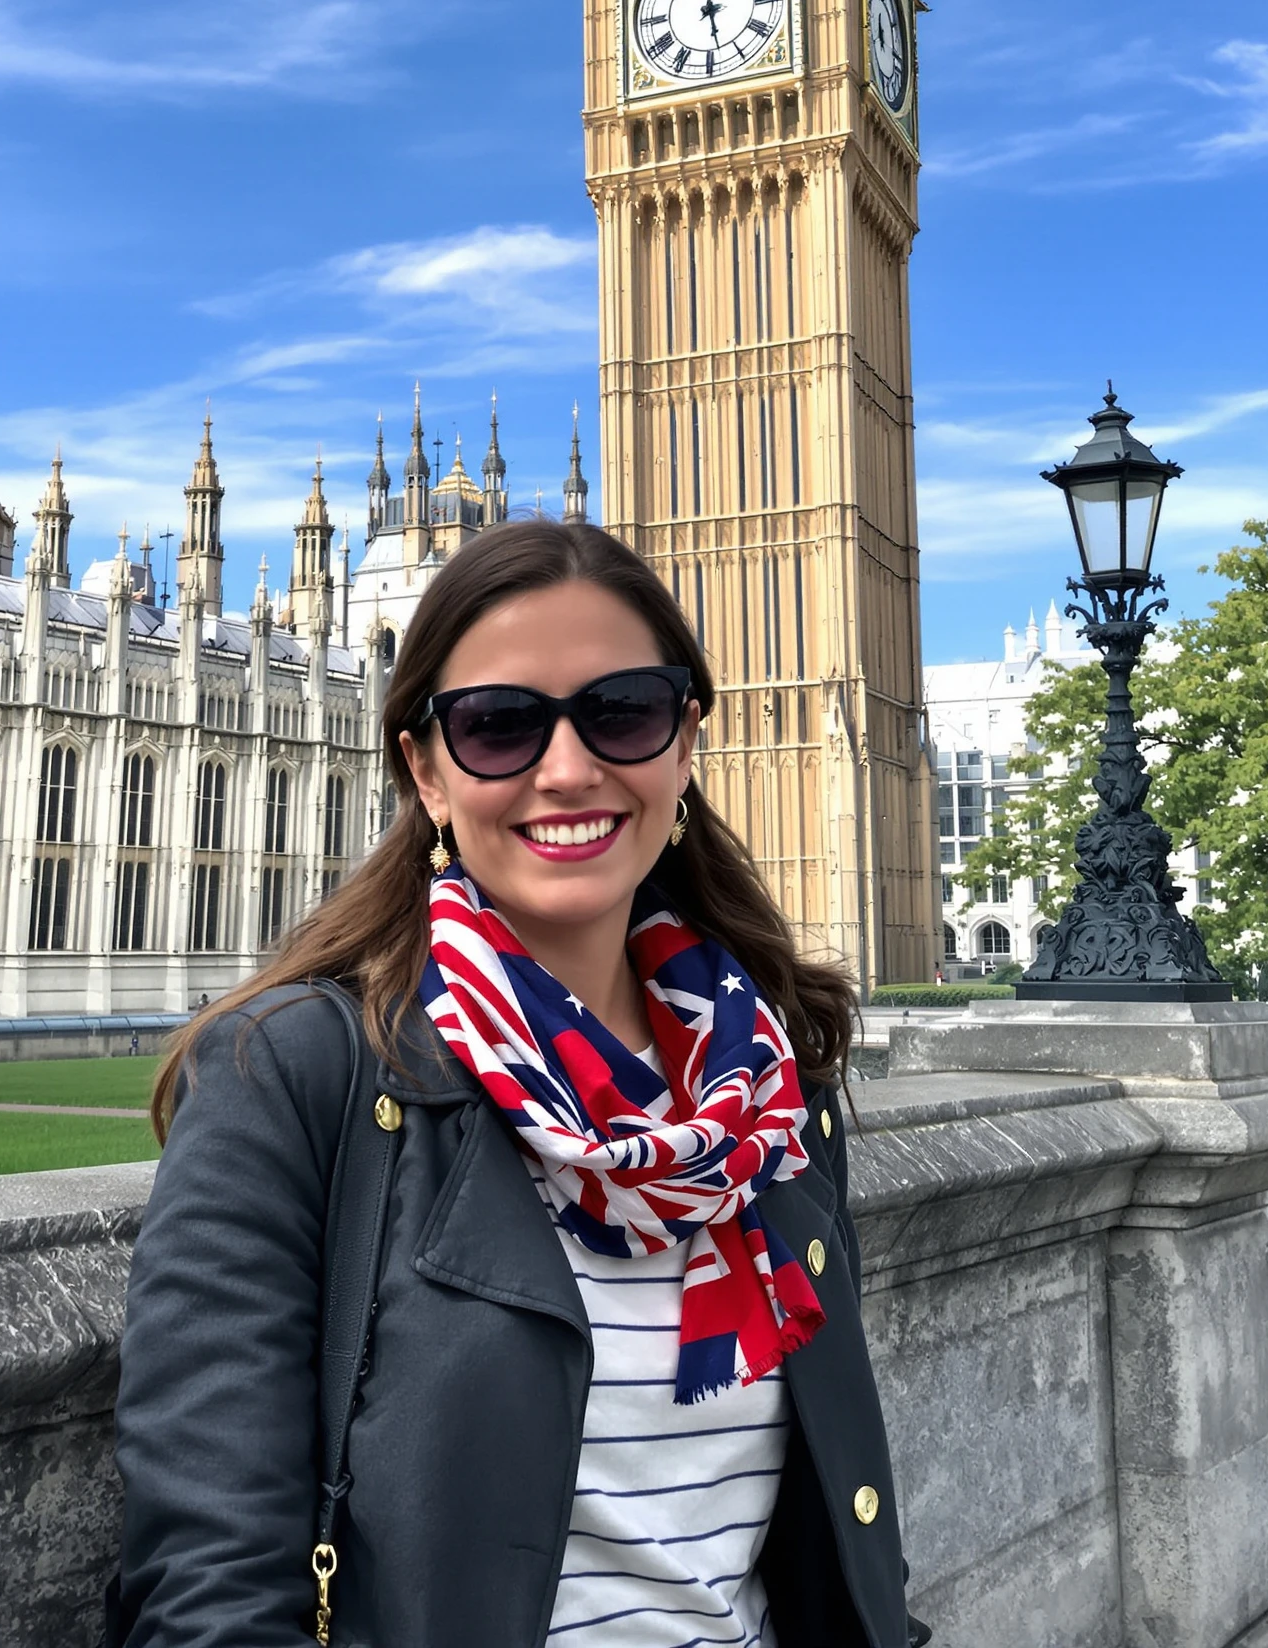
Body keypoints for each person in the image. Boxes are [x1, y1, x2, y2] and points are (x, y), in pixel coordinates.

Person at [114, 519, 917, 1648]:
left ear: (684, 742)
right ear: (426, 771)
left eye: (622, 711)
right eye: (499, 725)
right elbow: (213, 1590)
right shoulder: (290, 1072)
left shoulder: (770, 1087)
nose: (569, 769)